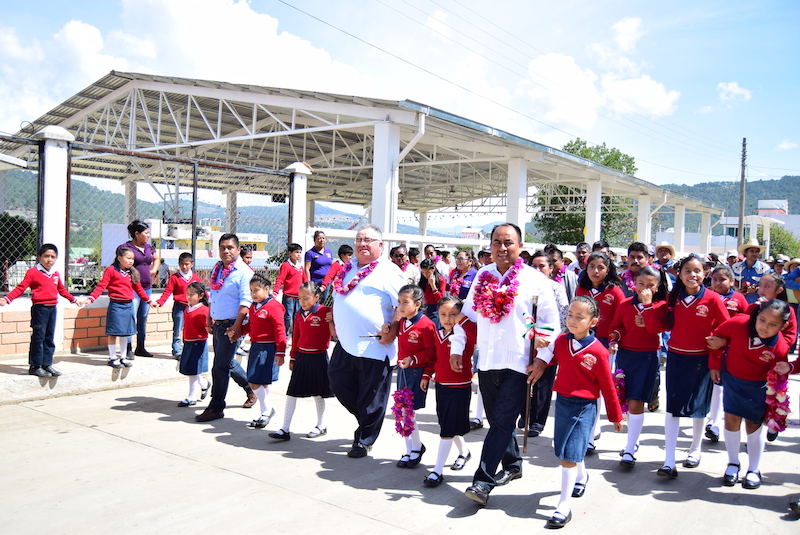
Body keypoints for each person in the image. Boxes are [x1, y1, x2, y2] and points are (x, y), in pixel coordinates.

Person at [461, 223, 559, 507]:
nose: (502, 248)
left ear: (520, 245)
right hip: (488, 360)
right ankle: (513, 464)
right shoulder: (483, 274)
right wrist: (458, 348)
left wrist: (543, 359)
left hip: (519, 362)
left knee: (503, 421)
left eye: (508, 242)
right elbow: (468, 315)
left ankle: (482, 481)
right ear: (490, 245)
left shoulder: (535, 279)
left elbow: (550, 323)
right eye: (496, 242)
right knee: (497, 422)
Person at [642, 255, 729, 477]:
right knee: (673, 408)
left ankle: (695, 449)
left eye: (697, 271)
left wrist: (718, 354)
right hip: (676, 359)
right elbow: (654, 329)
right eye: (688, 271)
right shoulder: (672, 299)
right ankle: (669, 460)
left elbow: (726, 330)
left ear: (705, 274)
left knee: (699, 408)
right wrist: (648, 305)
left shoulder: (712, 299)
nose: (693, 275)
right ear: (679, 274)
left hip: (702, 360)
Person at [327, 224, 407, 458]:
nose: (362, 243)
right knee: (337, 381)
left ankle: (364, 439)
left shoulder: (389, 271)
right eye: (359, 239)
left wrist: (393, 329)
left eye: (368, 240)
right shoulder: (348, 267)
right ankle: (366, 421)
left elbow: (403, 303)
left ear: (379, 245)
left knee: (371, 396)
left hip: (375, 344)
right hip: (347, 342)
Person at [546, 296, 624, 528]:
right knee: (564, 449)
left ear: (593, 322)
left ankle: (563, 505)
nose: (572, 320)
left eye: (579, 317)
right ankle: (582, 476)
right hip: (562, 403)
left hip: (584, 407)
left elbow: (608, 387)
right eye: (570, 315)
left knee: (569, 453)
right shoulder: (561, 341)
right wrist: (537, 351)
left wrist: (615, 416)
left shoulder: (599, 352)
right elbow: (550, 360)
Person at [707, 300, 791, 489]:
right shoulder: (738, 323)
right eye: (762, 320)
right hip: (733, 381)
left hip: (758, 387)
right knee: (730, 421)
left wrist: (775, 406)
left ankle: (753, 469)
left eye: (773, 324)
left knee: (753, 425)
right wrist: (715, 363)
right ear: (757, 314)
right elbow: (716, 337)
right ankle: (733, 463)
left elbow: (779, 379)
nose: (765, 327)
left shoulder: (780, 348)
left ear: (783, 326)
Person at [608, 265, 669, 466]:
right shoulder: (625, 304)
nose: (644, 289)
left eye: (650, 285)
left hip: (647, 357)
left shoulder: (660, 306)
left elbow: (655, 329)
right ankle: (633, 439)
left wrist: (648, 306)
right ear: (633, 284)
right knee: (625, 398)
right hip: (626, 356)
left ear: (657, 287)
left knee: (636, 401)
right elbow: (616, 326)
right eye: (641, 284)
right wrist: (614, 339)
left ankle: (629, 447)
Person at [195, 234, 257, 422]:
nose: (226, 251)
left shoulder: (244, 272)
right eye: (222, 247)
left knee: (220, 366)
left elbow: (247, 301)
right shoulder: (218, 269)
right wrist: (209, 319)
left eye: (230, 247)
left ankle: (216, 407)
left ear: (238, 250)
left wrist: (237, 327)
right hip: (218, 323)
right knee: (227, 362)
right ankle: (251, 389)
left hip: (232, 324)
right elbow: (214, 296)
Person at [421, 295, 476, 487]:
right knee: (447, 424)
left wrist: (464, 320)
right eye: (443, 314)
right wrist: (427, 375)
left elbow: (476, 333)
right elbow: (432, 358)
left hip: (460, 387)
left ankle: (437, 470)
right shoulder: (436, 334)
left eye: (453, 314)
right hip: (441, 386)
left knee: (447, 430)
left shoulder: (465, 334)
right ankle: (464, 452)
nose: (448, 318)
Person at [0, 243, 80, 377]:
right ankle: (35, 366)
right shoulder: (33, 272)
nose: (49, 260)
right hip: (40, 309)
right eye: (46, 256)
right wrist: (7, 299)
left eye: (53, 257)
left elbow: (62, 290)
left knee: (49, 337)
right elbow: (20, 288)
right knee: (39, 337)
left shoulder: (54, 274)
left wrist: (75, 300)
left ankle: (47, 364)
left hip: (52, 309)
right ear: (39, 257)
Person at [269, 282, 335, 440]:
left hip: (319, 357)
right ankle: (285, 429)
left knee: (319, 394)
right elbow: (296, 336)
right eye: (300, 298)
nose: (302, 302)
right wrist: (293, 356)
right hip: (302, 357)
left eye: (306, 298)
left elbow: (337, 329)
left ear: (316, 297)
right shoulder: (298, 313)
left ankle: (321, 425)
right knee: (292, 393)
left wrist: (333, 318)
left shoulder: (326, 312)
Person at [575, 251, 624, 451]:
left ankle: (591, 433)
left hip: (604, 344)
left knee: (598, 387)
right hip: (582, 342)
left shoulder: (615, 291)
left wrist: (614, 339)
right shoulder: (581, 288)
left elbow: (620, 320)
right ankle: (585, 430)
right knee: (583, 387)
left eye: (601, 267)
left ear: (608, 270)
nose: (596, 271)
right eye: (592, 266)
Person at [521, 252, 569, 438]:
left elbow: (563, 316)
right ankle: (524, 413)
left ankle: (537, 421)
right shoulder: (523, 287)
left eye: (542, 266)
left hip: (547, 341)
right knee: (523, 378)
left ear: (551, 269)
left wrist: (546, 338)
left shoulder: (555, 288)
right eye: (534, 266)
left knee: (543, 383)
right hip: (526, 339)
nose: (538, 270)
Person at [85, 246, 157, 368]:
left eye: (132, 259)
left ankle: (123, 357)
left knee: (125, 333)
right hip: (116, 306)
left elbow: (139, 290)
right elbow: (102, 286)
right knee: (113, 333)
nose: (131, 261)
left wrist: (149, 301)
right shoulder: (111, 270)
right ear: (119, 258)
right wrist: (91, 298)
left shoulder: (133, 273)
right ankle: (113, 357)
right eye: (128, 258)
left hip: (128, 306)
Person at [705, 265, 749, 442]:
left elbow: (747, 321)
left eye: (722, 279)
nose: (717, 283)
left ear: (731, 281)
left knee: (722, 386)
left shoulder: (739, 299)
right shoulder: (708, 296)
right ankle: (712, 422)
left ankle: (718, 423)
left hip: (732, 348)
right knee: (714, 384)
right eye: (714, 279)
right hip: (711, 346)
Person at [396, 284, 437, 468]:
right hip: (403, 372)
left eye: (406, 302)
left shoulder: (427, 325)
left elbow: (432, 353)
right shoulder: (402, 322)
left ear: (418, 304)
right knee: (402, 411)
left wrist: (414, 360)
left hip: (416, 371)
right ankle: (409, 448)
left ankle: (416, 448)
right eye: (399, 302)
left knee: (408, 411)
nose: (401, 306)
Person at [242, 273, 286, 429]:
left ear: (267, 289)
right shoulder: (254, 307)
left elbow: (280, 329)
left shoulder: (274, 306)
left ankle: (267, 411)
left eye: (256, 290)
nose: (253, 294)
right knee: (259, 381)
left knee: (254, 380)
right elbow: (250, 326)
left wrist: (281, 351)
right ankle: (264, 413)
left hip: (268, 348)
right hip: (255, 347)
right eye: (251, 290)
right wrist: (237, 331)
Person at [122, 220, 160, 359]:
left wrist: (154, 270)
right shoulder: (126, 247)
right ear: (136, 234)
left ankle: (141, 346)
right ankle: (127, 347)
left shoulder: (149, 247)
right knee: (130, 316)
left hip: (147, 288)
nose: (148, 236)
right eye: (146, 233)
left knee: (142, 317)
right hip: (132, 289)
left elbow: (156, 259)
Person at [157, 252, 201, 359]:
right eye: (182, 264)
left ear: (192, 264)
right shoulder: (175, 277)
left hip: (192, 308)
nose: (184, 267)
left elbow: (201, 291)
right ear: (179, 264)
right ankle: (177, 351)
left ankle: (187, 350)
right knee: (178, 329)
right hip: (179, 307)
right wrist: (160, 302)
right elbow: (168, 291)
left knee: (190, 329)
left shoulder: (195, 277)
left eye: (187, 264)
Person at [175, 282, 211, 407]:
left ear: (201, 295)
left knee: (193, 370)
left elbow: (208, 327)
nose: (189, 297)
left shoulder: (204, 310)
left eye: (192, 294)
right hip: (188, 342)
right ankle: (204, 384)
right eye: (187, 294)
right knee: (190, 369)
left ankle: (191, 397)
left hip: (198, 343)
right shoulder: (188, 308)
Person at [274, 243, 308, 337]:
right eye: (296, 252)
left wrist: (308, 290)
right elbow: (280, 279)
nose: (298, 255)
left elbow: (304, 280)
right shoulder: (286, 265)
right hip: (289, 297)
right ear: (290, 253)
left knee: (297, 317)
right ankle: (284, 335)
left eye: (300, 252)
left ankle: (296, 336)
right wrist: (275, 291)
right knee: (288, 317)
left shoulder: (300, 267)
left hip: (299, 297)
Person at [304, 231, 334, 302]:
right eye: (319, 238)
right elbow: (307, 269)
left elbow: (332, 267)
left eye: (323, 238)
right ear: (314, 240)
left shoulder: (328, 252)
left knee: (322, 302)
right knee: (314, 302)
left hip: (326, 283)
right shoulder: (310, 253)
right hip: (314, 282)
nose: (322, 240)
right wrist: (308, 283)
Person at [419, 258, 446, 329]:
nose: (426, 275)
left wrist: (433, 286)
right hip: (423, 308)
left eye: (428, 272)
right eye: (423, 272)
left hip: (435, 310)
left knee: (433, 330)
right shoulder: (423, 280)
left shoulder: (441, 280)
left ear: (433, 269)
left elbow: (440, 299)